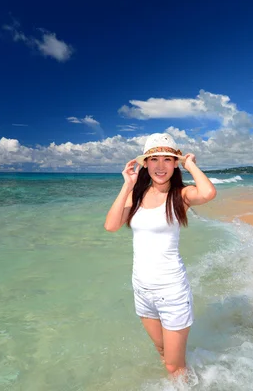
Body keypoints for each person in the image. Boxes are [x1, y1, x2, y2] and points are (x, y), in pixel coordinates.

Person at [104, 133, 217, 378]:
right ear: (145, 163)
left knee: (172, 366)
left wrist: (190, 164)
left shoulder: (181, 195)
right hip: (142, 290)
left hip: (171, 291)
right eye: (154, 159)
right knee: (162, 350)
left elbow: (208, 193)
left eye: (168, 159)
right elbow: (111, 225)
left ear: (175, 164)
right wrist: (127, 185)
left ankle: (184, 381)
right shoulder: (136, 195)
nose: (161, 166)